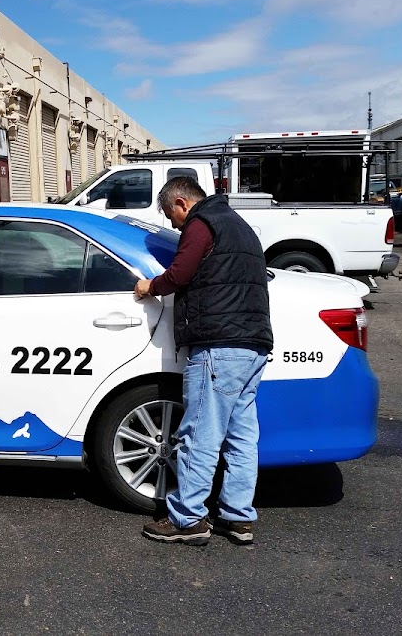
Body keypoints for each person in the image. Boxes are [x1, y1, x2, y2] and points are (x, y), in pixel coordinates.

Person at [134, 175, 273, 546]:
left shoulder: (201, 224)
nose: (172, 223)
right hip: (253, 344)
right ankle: (238, 518)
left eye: (170, 215)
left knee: (199, 434)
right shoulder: (238, 225)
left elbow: (181, 273)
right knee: (242, 437)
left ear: (182, 203)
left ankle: (187, 519)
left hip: (218, 345)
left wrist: (150, 286)